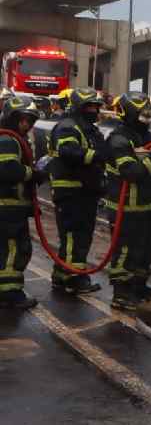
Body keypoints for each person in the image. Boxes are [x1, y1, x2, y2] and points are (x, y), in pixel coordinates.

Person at [103, 91, 151, 310]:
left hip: (148, 205)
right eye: (142, 113)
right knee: (126, 250)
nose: (147, 116)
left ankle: (138, 286)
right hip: (127, 206)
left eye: (148, 113)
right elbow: (131, 172)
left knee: (149, 247)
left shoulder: (147, 137)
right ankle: (121, 293)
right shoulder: (119, 139)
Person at [48, 87, 110, 295]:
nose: (94, 110)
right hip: (71, 191)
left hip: (85, 192)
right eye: (89, 106)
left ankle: (61, 274)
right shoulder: (68, 126)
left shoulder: (90, 129)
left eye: (96, 106)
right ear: (78, 107)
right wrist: (97, 156)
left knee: (78, 236)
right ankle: (74, 277)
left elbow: (105, 152)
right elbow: (68, 151)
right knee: (76, 237)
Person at [0, 96, 46, 310]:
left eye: (30, 121)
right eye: (22, 120)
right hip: (7, 206)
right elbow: (8, 170)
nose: (26, 125)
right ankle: (10, 293)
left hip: (12, 205)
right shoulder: (8, 140)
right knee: (13, 250)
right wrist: (34, 174)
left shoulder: (13, 138)